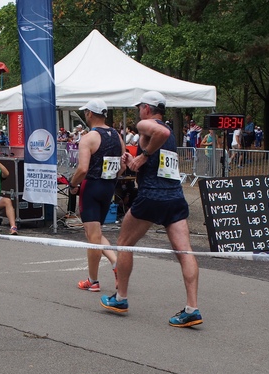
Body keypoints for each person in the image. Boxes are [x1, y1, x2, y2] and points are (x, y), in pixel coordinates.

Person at [100, 90, 202, 327]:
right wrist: (134, 161)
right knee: (185, 251)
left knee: (124, 244)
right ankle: (192, 308)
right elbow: (158, 157)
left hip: (152, 196)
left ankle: (121, 298)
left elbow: (159, 136)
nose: (138, 112)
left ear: (147, 108)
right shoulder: (169, 132)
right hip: (175, 196)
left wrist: (143, 156)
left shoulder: (149, 125)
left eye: (139, 108)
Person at [68, 99, 125, 292]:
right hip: (108, 187)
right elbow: (122, 165)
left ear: (90, 114)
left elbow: (83, 168)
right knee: (96, 233)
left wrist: (72, 184)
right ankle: (115, 262)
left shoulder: (89, 137)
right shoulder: (116, 135)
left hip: (91, 187)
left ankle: (93, 281)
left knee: (92, 236)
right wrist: (112, 180)